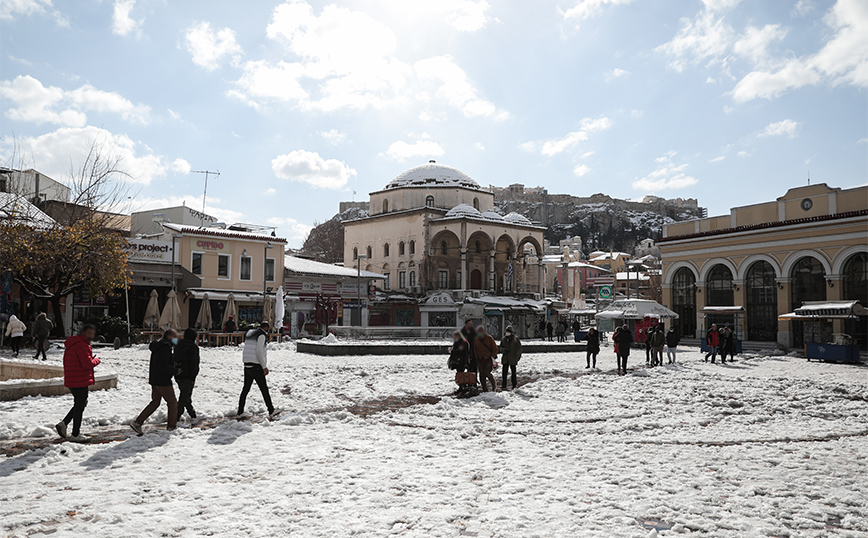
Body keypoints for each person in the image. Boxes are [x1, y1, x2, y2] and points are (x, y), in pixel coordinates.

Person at [55, 324, 100, 440]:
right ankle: (75, 434)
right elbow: (87, 364)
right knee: (80, 406)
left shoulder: (72, 344)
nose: (91, 335)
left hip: (72, 379)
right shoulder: (83, 346)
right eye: (89, 333)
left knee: (80, 403)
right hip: (80, 380)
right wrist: (96, 360)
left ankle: (64, 424)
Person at [130, 329, 179, 435]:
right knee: (173, 403)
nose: (176, 339)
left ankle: (137, 422)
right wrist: (174, 370)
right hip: (163, 381)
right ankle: (172, 427)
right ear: (169, 337)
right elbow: (163, 365)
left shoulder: (158, 346)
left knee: (155, 402)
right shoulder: (165, 348)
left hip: (155, 379)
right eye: (175, 336)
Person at [237, 321, 276, 417]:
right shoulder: (262, 335)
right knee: (264, 389)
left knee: (245, 389)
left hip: (247, 364)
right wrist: (264, 366)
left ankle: (240, 411)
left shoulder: (250, 333)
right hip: (256, 366)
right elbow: (259, 351)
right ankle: (271, 410)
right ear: (266, 328)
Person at [174, 328, 200, 422]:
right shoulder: (193, 347)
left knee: (185, 395)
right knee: (184, 397)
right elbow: (194, 364)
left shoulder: (178, 345)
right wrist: (193, 376)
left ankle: (193, 414)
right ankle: (175, 417)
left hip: (178, 374)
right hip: (188, 375)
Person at [474, 326, 498, 392]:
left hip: (488, 359)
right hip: (480, 359)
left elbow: (495, 349)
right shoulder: (476, 339)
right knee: (481, 374)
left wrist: (492, 356)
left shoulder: (489, 338)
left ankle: (493, 384)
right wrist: (476, 356)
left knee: (487, 373)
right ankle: (485, 389)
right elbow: (475, 349)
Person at [499, 326, 522, 391]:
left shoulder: (515, 339)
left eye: (508, 332)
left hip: (512, 358)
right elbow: (500, 347)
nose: (507, 333)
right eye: (506, 331)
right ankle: (504, 385)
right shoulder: (503, 339)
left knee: (513, 372)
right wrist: (503, 350)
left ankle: (514, 385)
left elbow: (519, 348)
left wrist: (517, 357)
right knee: (504, 372)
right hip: (505, 358)